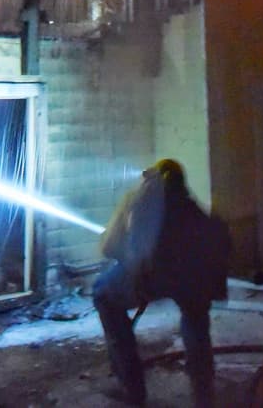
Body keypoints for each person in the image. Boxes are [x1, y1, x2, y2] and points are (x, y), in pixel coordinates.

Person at [93, 159, 231, 407]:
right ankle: (204, 394)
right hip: (194, 278)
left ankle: (131, 387)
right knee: (195, 317)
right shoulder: (193, 209)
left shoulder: (136, 200)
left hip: (151, 276)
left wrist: (125, 250)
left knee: (102, 293)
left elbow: (108, 248)